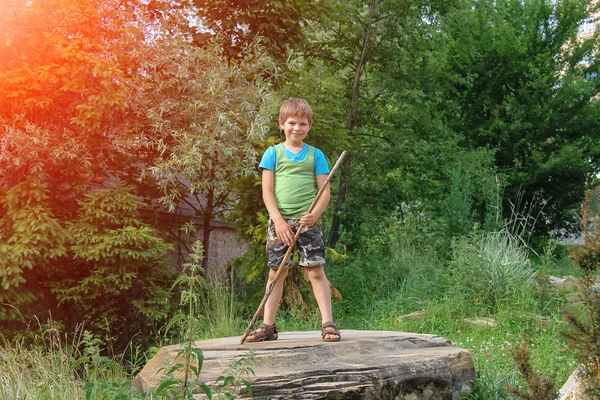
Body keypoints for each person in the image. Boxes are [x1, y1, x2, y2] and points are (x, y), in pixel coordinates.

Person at [246, 98, 341, 343]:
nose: (296, 128)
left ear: (309, 126)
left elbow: (325, 192)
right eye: (291, 123)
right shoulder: (273, 153)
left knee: (315, 271)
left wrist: (314, 216)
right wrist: (277, 220)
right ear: (281, 124)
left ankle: (328, 324)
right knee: (276, 274)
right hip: (280, 224)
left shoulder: (315, 155)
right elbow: (267, 191)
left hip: (307, 224)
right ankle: (268, 326)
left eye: (302, 124)